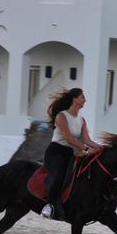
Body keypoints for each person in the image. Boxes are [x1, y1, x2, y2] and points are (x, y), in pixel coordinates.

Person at [40, 88, 102, 219]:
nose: (85, 100)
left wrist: (101, 148)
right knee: (59, 174)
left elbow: (88, 140)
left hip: (69, 152)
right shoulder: (61, 116)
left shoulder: (82, 120)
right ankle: (48, 205)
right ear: (74, 99)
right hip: (55, 152)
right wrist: (85, 149)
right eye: (82, 97)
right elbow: (69, 139)